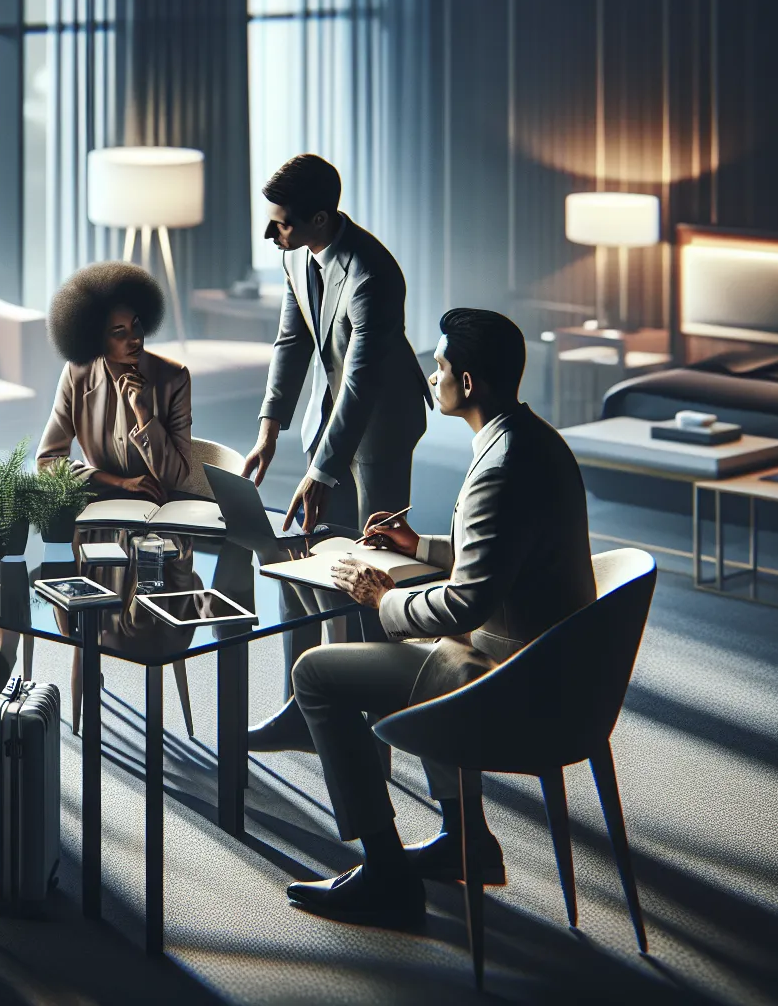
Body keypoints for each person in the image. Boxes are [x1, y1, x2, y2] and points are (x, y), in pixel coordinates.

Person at [282, 308, 596, 924]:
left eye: (440, 365)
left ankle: (384, 875)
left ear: (468, 384)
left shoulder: (498, 469)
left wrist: (380, 598)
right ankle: (465, 840)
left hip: (516, 680)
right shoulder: (528, 439)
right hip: (562, 663)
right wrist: (418, 548)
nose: (431, 374)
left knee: (318, 675)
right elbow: (502, 555)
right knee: (424, 647)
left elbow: (468, 601)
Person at [241, 153, 433, 752]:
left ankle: (382, 717)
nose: (271, 235)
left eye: (282, 225)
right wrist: (270, 429)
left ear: (321, 218)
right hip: (326, 421)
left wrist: (321, 471)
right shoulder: (300, 258)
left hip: (379, 427)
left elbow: (363, 381)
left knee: (373, 566)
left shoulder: (375, 273)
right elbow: (292, 341)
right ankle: (304, 704)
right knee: (306, 557)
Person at [35, 261, 193, 501]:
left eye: (136, 324)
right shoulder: (77, 376)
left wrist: (144, 415)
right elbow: (47, 463)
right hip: (99, 507)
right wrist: (119, 483)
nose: (136, 339)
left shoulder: (174, 378)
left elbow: (176, 477)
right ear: (95, 337)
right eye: (119, 332)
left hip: (158, 513)